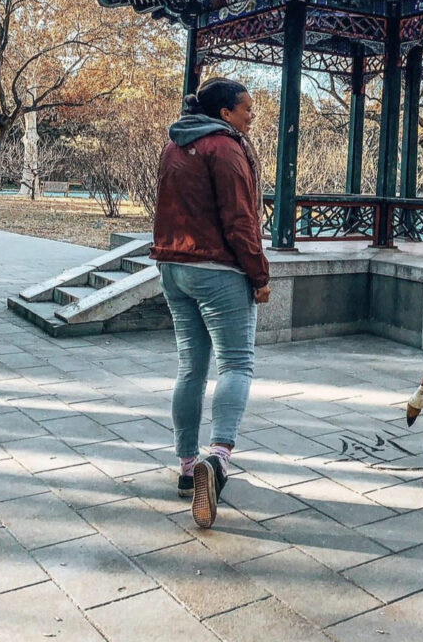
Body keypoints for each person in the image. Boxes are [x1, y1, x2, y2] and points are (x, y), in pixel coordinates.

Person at [151, 77, 270, 528]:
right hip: (218, 269)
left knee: (190, 368)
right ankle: (218, 460)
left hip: (173, 267)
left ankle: (186, 469)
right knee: (237, 364)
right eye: (246, 109)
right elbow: (240, 220)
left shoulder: (174, 144)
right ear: (225, 113)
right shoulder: (225, 148)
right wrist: (258, 275)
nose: (251, 116)